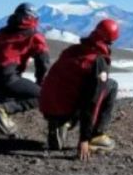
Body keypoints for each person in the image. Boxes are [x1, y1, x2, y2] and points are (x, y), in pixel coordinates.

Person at [39, 18, 120, 160]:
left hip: (47, 105)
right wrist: (84, 138)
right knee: (111, 86)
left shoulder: (73, 50)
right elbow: (93, 101)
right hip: (66, 106)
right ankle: (97, 135)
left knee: (80, 87)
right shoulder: (97, 61)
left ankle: (62, 123)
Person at [0, 3, 51, 136]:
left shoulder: (2, 31)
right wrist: (41, 82)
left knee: (10, 89)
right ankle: (2, 110)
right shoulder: (34, 35)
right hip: (5, 76)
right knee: (43, 96)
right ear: (33, 18)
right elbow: (43, 62)